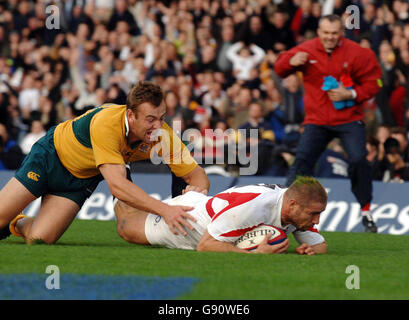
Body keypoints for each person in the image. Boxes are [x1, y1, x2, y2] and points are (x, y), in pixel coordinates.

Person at [0, 81, 210, 244]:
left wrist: (195, 193)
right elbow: (118, 186)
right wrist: (166, 210)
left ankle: (16, 222)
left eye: (161, 118)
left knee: (40, 239)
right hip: (50, 159)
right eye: (150, 119)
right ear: (131, 115)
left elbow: (196, 174)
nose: (157, 126)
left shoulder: (163, 135)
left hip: (80, 180)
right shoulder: (107, 123)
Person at [274, 14, 382, 233]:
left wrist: (350, 93)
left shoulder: (357, 53)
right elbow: (279, 67)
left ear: (341, 32)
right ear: (319, 32)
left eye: (334, 33)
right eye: (325, 33)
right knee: (302, 161)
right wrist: (289, 63)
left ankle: (366, 210)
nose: (330, 37)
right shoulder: (307, 49)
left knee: (359, 159)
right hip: (317, 120)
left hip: (349, 118)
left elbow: (376, 82)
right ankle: (280, 212)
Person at [114, 176, 328, 255]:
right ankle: (121, 179)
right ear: (293, 205)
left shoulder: (297, 211)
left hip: (212, 210)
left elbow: (320, 245)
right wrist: (253, 255)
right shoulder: (254, 207)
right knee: (126, 228)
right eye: (314, 214)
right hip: (189, 223)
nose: (316, 220)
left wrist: (310, 249)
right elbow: (205, 246)